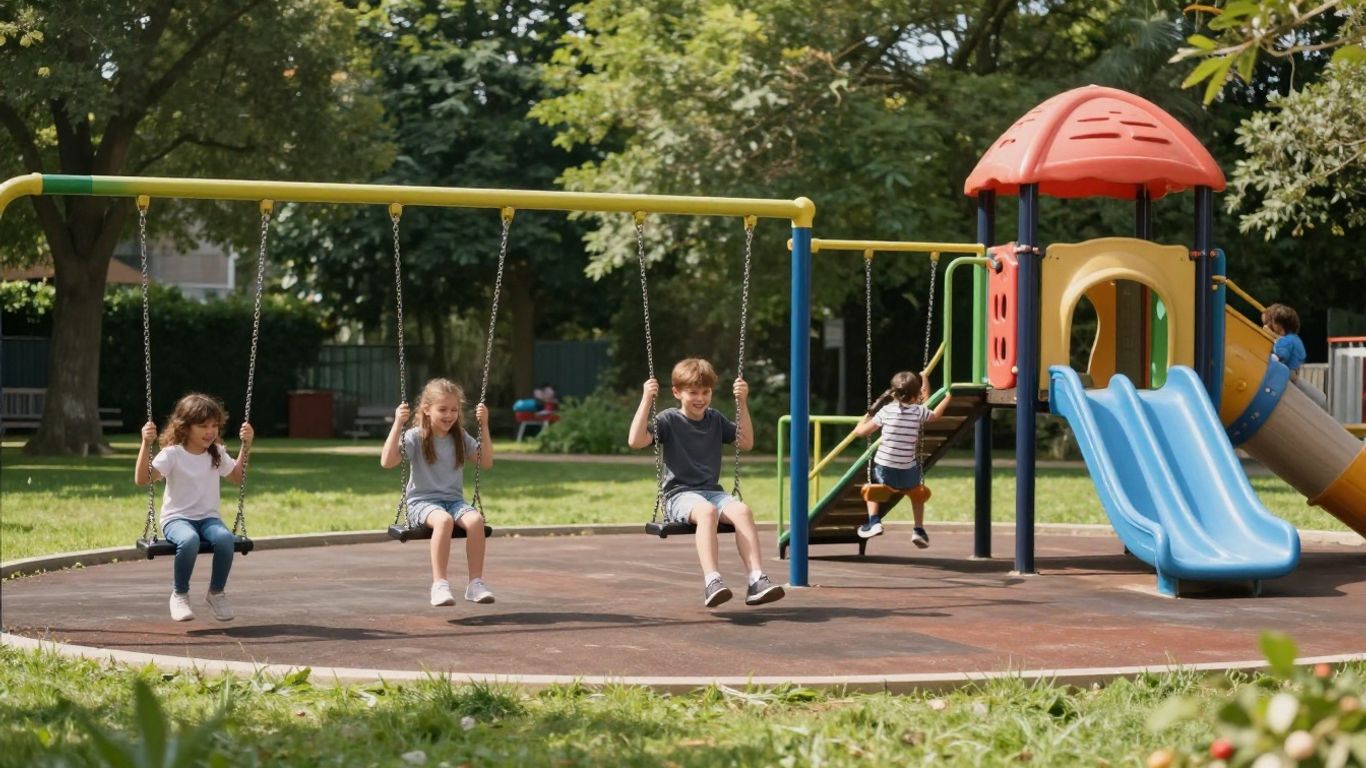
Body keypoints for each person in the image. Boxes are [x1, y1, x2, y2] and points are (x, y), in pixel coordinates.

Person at [628, 358, 785, 608]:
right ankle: (712, 581)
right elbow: (635, 441)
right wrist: (647, 398)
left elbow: (745, 443)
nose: (700, 398)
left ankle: (756, 580)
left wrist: (742, 402)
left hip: (712, 492)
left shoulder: (715, 419)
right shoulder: (669, 419)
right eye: (693, 392)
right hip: (679, 495)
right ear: (677, 392)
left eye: (705, 392)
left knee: (743, 511)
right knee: (707, 512)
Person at [134, 393, 253, 622]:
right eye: (203, 426)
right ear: (186, 427)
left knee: (225, 539)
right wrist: (145, 443)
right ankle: (179, 594)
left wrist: (246, 446)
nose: (210, 431)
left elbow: (237, 477)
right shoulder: (173, 455)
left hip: (208, 519)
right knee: (189, 540)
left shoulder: (216, 453)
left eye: (214, 426)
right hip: (176, 519)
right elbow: (142, 479)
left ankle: (216, 593)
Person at [381, 378, 495, 607]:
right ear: (426, 409)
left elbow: (486, 462)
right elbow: (387, 461)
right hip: (421, 503)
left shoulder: (459, 436)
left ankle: (475, 584)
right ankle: (439, 584)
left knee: (476, 520)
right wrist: (397, 424)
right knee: (443, 521)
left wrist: (484, 425)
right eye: (442, 409)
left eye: (454, 409)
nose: (449, 415)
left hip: (453, 501)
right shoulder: (415, 436)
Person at [850, 371, 952, 547]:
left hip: (885, 470)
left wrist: (862, 422)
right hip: (907, 471)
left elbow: (862, 432)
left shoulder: (886, 411)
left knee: (872, 489)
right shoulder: (919, 411)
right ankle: (918, 529)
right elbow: (934, 414)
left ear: (894, 394)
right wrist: (947, 397)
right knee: (917, 495)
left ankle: (874, 522)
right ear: (916, 395)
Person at [1262, 303, 1328, 409]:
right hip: (1294, 372)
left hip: (1287, 374)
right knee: (1318, 397)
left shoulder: (1285, 341)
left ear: (1279, 325)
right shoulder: (1295, 339)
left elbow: (1280, 355)